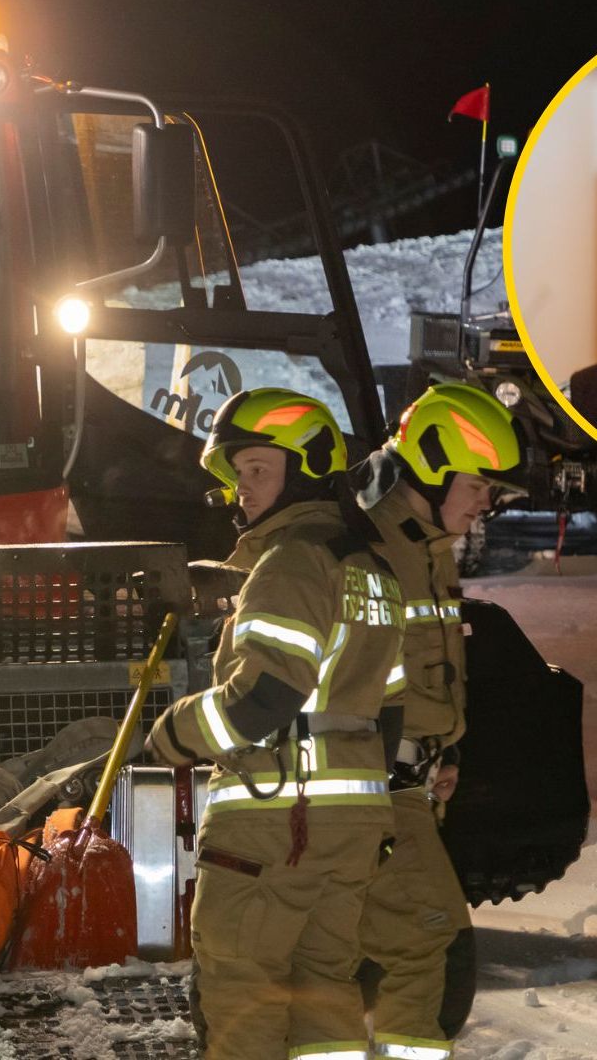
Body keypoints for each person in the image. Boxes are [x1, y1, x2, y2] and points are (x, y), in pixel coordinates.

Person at [145, 387, 406, 1060]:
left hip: (274, 823)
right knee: (326, 990)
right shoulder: (374, 571)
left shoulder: (288, 561)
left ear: (309, 467)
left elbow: (263, 699)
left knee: (244, 991)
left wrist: (172, 732)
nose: (243, 488)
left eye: (259, 468)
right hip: (352, 829)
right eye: (238, 473)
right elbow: (390, 706)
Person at [354, 382, 527, 1059]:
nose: (487, 501)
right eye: (478, 484)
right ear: (431, 466)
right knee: (436, 954)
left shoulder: (426, 547)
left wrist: (439, 753)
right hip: (371, 794)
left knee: (364, 960)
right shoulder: (371, 548)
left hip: (411, 787)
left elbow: (422, 671)